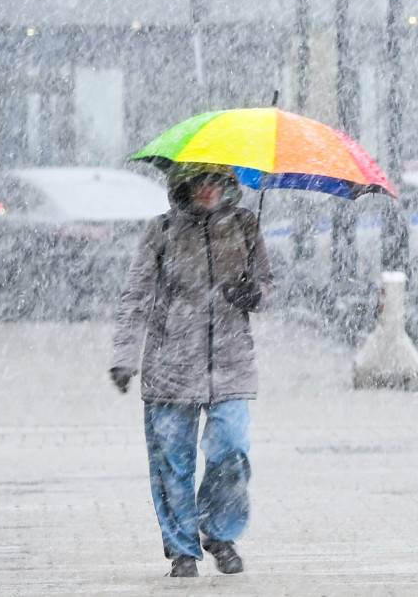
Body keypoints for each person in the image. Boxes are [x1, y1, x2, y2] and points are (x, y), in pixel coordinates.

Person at [109, 166, 273, 578]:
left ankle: (218, 530)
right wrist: (124, 356)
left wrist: (253, 293)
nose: (204, 189)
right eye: (197, 181)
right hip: (170, 365)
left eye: (214, 181)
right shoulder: (161, 230)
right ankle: (183, 550)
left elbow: (267, 285)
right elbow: (136, 295)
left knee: (231, 448)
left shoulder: (245, 225)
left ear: (226, 185)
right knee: (172, 464)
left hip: (230, 363)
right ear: (180, 185)